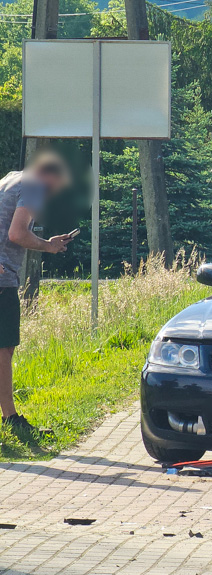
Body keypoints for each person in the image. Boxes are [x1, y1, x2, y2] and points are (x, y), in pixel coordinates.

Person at [0, 151, 73, 434]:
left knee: (4, 349)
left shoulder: (9, 179)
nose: (50, 194)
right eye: (55, 187)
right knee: (4, 349)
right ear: (49, 176)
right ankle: (11, 419)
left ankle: (10, 417)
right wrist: (48, 246)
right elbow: (17, 234)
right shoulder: (34, 185)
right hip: (3, 280)